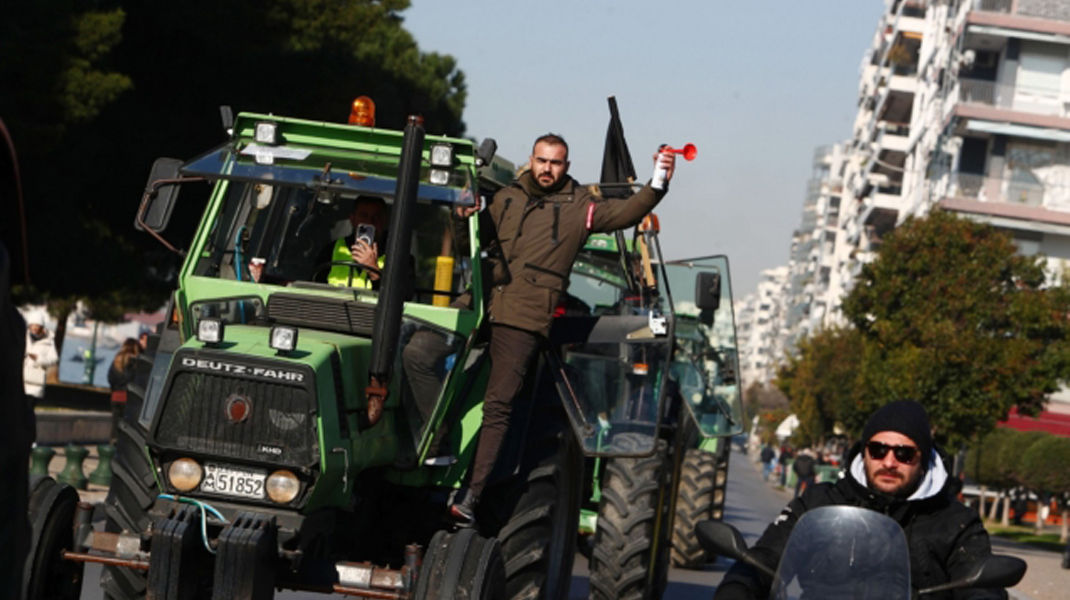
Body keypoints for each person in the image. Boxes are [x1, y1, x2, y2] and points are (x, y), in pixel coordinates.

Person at [446, 133, 675, 526]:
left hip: (523, 316)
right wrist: (460, 215)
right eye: (542, 160)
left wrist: (657, 182)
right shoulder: (506, 197)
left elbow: (625, 213)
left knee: (498, 403)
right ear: (531, 160)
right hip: (481, 301)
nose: (547, 169)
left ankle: (472, 493)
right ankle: (429, 445)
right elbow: (471, 239)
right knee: (421, 347)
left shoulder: (580, 207)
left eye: (555, 163)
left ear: (565, 167)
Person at [714, 400, 1006, 600]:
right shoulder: (820, 501)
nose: (889, 462)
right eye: (878, 450)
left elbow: (982, 585)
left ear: (923, 460)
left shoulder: (955, 521)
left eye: (904, 453)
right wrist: (737, 588)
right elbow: (765, 558)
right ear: (864, 451)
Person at [326, 196, 389, 288]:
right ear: (352, 219)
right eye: (364, 216)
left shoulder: (398, 257)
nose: (370, 222)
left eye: (376, 217)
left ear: (384, 221)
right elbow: (312, 288)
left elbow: (404, 294)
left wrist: (374, 271)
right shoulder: (331, 250)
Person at [107, 338, 140, 444]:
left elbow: (110, 378)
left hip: (116, 396)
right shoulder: (136, 362)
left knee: (115, 423)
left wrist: (114, 390)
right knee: (127, 425)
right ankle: (123, 445)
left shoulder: (116, 360)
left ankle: (113, 441)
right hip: (128, 398)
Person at [23, 313, 57, 401]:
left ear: (41, 327)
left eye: (37, 325)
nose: (34, 328)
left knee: (29, 405)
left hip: (35, 380)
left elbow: (54, 359)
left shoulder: (49, 340)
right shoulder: (24, 336)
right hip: (21, 378)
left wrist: (39, 358)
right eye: (32, 325)